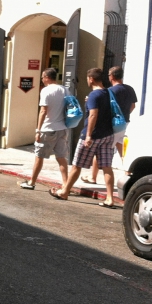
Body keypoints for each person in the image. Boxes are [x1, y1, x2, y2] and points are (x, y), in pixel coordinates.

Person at [50, 68, 116, 207]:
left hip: (93, 135)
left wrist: (88, 135)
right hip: (108, 134)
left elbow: (93, 115)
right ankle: (110, 198)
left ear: (91, 79)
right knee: (106, 167)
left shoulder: (94, 95)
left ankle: (64, 192)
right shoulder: (108, 92)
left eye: (87, 78)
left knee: (77, 165)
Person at [82, 66, 137, 184]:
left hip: (112, 124)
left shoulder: (110, 91)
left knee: (100, 149)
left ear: (111, 76)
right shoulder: (130, 89)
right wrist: (123, 116)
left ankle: (93, 177)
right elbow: (133, 106)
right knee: (122, 148)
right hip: (124, 122)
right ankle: (128, 173)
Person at [19, 68, 69, 189]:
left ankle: (32, 182)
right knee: (61, 157)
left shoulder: (46, 91)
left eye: (42, 77)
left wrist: (38, 129)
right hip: (62, 128)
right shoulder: (65, 89)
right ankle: (66, 184)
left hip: (48, 128)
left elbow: (43, 111)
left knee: (39, 156)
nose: (42, 79)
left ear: (47, 77)